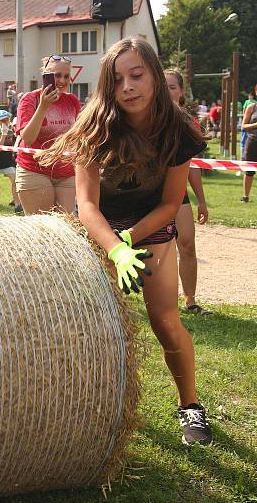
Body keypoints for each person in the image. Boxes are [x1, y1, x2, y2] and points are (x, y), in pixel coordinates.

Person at [44, 36, 211, 446]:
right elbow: (85, 204)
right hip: (100, 226)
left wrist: (130, 240)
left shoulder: (179, 129)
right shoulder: (94, 125)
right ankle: (78, 406)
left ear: (155, 75)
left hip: (150, 224)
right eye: (117, 80)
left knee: (165, 320)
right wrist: (115, 248)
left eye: (137, 76)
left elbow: (172, 203)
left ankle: (190, 406)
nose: (127, 88)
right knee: (82, 325)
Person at [165, 69, 212, 316]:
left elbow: (192, 166)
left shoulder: (189, 122)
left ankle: (190, 300)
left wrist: (202, 202)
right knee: (157, 249)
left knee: (186, 244)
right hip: (150, 195)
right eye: (163, 86)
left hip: (179, 195)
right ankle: (160, 298)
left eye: (172, 87)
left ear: (181, 92)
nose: (167, 91)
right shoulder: (146, 117)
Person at [15, 55, 81, 215]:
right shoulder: (30, 99)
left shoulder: (72, 100)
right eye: (57, 75)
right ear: (46, 76)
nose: (63, 81)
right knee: (42, 230)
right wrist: (43, 107)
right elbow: (28, 138)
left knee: (66, 228)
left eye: (66, 76)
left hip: (66, 173)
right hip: (34, 170)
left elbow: (79, 136)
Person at [241, 84, 257, 202]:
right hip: (252, 141)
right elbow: (244, 126)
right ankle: (245, 196)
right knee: (249, 170)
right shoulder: (251, 107)